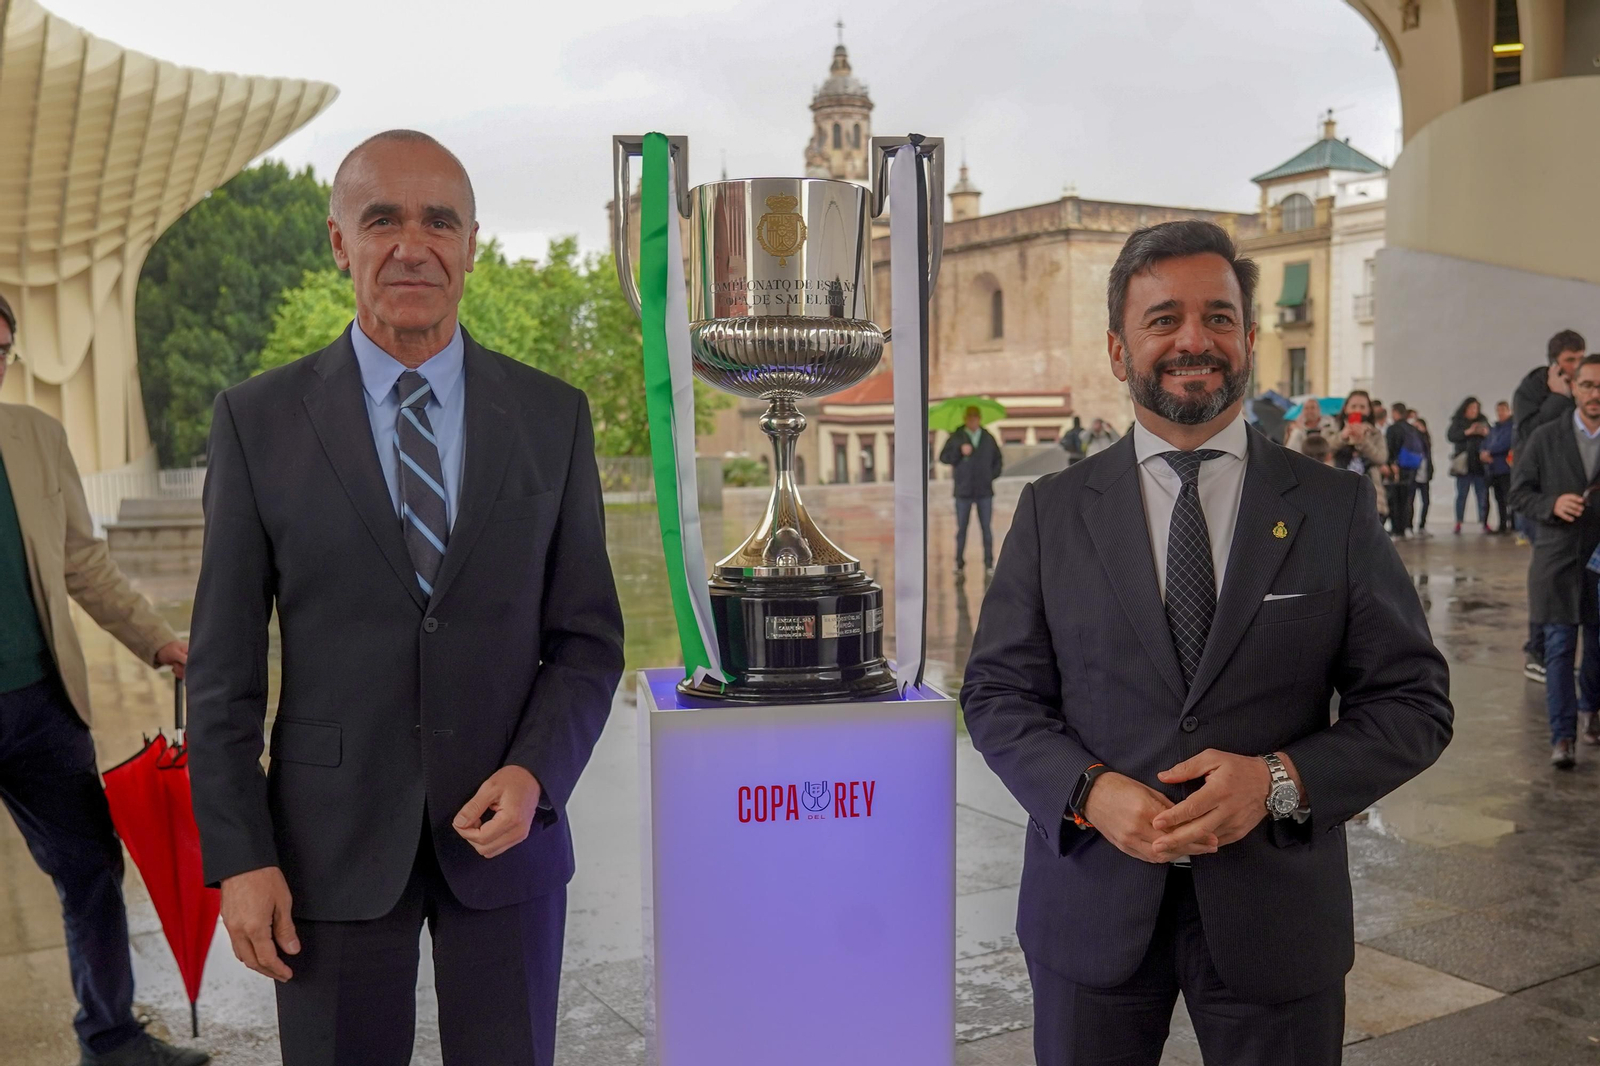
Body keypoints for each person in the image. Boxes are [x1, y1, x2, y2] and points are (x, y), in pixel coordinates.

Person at [962, 220, 1452, 1066]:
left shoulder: (1332, 507)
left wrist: (1279, 781)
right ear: (1119, 350)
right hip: (1091, 910)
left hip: (1277, 918)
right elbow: (998, 695)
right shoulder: (1051, 511)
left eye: (1218, 317)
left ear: (1251, 339)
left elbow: (1413, 702)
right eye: (1163, 320)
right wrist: (1089, 792)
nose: (1195, 340)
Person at [186, 131, 625, 1065]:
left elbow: (586, 641)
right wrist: (239, 856)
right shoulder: (256, 421)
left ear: (472, 244)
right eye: (382, 219)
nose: (412, 244)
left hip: (506, 845)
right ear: (340, 242)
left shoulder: (552, 417)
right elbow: (221, 673)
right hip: (326, 852)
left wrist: (538, 772)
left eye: (440, 221)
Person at [0, 296, 205, 1066]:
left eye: (1, 350)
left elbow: (83, 562)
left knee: (90, 869)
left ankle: (111, 1038)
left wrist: (158, 640)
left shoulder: (35, 437)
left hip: (43, 704)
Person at [1510, 354, 1600, 768]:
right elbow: (1519, 494)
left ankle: (1591, 714)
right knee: (1560, 650)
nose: (1594, 394)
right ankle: (1562, 737)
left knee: (1597, 649)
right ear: (1572, 386)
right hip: (1557, 561)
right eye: (1587, 385)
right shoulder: (1546, 437)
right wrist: (1552, 503)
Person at [1514, 329, 1586, 682]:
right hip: (1540, 499)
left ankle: (1558, 652)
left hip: (1572, 499)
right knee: (1546, 577)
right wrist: (1558, 397)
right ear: (1555, 362)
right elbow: (1530, 436)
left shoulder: (1584, 388)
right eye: (1570, 360)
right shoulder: (1532, 389)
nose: (1576, 366)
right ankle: (1536, 651)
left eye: (1580, 357)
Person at [939, 406, 1004, 575]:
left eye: (975, 417)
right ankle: (959, 563)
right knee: (962, 529)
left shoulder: (988, 437)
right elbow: (944, 457)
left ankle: (989, 562)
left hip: (984, 491)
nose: (973, 420)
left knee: (986, 529)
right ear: (965, 419)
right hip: (963, 491)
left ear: (979, 418)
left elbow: (998, 460)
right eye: (970, 417)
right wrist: (959, 451)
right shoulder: (956, 436)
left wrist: (990, 475)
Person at [1332, 389, 1388, 518]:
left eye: (1362, 407)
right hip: (1338, 491)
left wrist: (1363, 441)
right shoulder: (1333, 428)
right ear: (1346, 408)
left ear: (1369, 410)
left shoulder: (1375, 434)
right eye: (1353, 406)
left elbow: (1381, 457)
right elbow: (1325, 448)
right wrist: (1343, 436)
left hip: (1368, 493)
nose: (1357, 410)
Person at [1447, 397, 1492, 534]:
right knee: (1461, 495)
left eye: (1476, 408)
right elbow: (1451, 436)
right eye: (1471, 408)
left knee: (1482, 495)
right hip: (1464, 465)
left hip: (1479, 465)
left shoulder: (1483, 420)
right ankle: (1458, 522)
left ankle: (1484, 522)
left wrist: (1486, 433)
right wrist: (1468, 431)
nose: (1474, 411)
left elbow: (1492, 438)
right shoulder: (1458, 421)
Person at [1385, 401, 1425, 537]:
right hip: (1412, 468)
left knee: (1395, 499)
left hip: (1397, 468)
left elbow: (1389, 449)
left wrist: (1390, 464)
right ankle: (1406, 526)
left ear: (1395, 412)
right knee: (1408, 499)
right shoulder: (1412, 428)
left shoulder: (1393, 429)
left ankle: (1397, 528)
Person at [1484, 400, 1515, 533]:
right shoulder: (1494, 428)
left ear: (1509, 411)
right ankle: (1502, 525)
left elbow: (1505, 443)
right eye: (1498, 410)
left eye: (1503, 410)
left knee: (1509, 498)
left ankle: (1513, 524)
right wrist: (1483, 452)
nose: (1500, 413)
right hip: (1494, 469)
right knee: (1499, 499)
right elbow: (1486, 442)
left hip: (1506, 468)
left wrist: (1489, 451)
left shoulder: (1512, 427)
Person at [1410, 415, 1435, 537]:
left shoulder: (1426, 442)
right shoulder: (1412, 440)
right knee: (1410, 502)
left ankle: (1422, 526)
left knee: (1426, 501)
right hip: (1413, 475)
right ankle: (1408, 526)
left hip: (1424, 475)